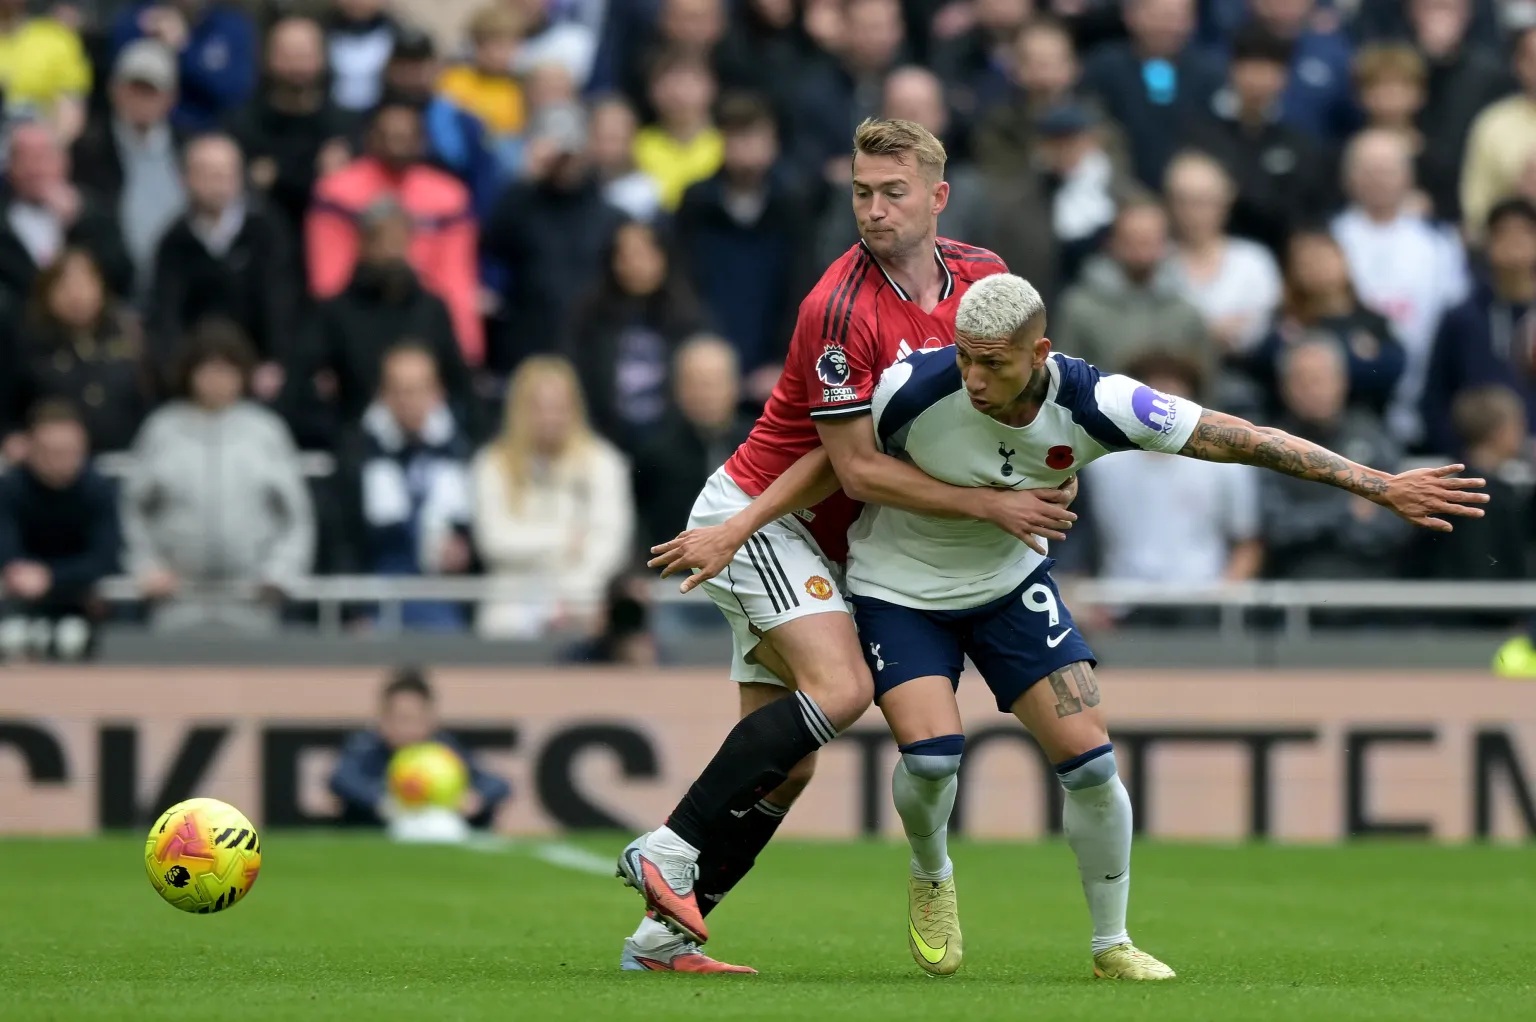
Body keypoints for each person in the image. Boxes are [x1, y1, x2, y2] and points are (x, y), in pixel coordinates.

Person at [657, 272, 1487, 978]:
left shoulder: (1100, 402)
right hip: (900, 587)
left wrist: (1380, 485)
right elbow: (837, 463)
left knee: (1091, 763)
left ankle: (1111, 942)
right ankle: (931, 870)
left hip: (1010, 585)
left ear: (1040, 353)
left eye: (994, 363)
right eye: (967, 358)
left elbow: (1240, 438)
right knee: (935, 759)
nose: (974, 379)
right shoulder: (916, 387)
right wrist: (740, 524)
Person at [611, 117, 1077, 973]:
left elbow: (1019, 398)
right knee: (845, 688)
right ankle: (668, 848)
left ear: (937, 197)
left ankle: (660, 941)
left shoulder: (985, 280)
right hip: (765, 516)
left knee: (786, 768)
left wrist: (1052, 463)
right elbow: (854, 468)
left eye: (893, 192)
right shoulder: (838, 307)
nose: (874, 209)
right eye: (862, 192)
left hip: (826, 541)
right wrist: (992, 505)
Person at [120, 321, 314, 633]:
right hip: (176, 598)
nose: (216, 381)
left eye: (227, 370)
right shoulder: (162, 430)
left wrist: (279, 574)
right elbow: (132, 510)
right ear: (189, 373)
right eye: (208, 370)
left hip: (252, 598)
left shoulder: (266, 431)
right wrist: (147, 568)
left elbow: (296, 516)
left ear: (243, 374)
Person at [471, 356, 633, 639]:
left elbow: (609, 547)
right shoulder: (490, 464)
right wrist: (564, 539)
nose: (550, 418)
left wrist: (568, 598)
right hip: (508, 608)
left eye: (559, 407)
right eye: (538, 408)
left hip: (582, 605)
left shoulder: (604, 463)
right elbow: (495, 541)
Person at [0, 400, 118, 661]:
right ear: (30, 448)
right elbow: (6, 550)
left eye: (70, 451)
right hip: (16, 598)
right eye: (50, 451)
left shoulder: (98, 490)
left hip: (81, 599)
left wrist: (50, 576)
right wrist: (17, 571)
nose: (61, 460)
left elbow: (105, 557)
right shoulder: (9, 488)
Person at [329, 666, 511, 828]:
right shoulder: (367, 747)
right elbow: (341, 779)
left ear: (430, 720)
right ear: (383, 719)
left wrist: (476, 797)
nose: (405, 729)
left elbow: (496, 784)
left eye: (413, 719)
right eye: (399, 719)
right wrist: (382, 801)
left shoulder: (443, 751)